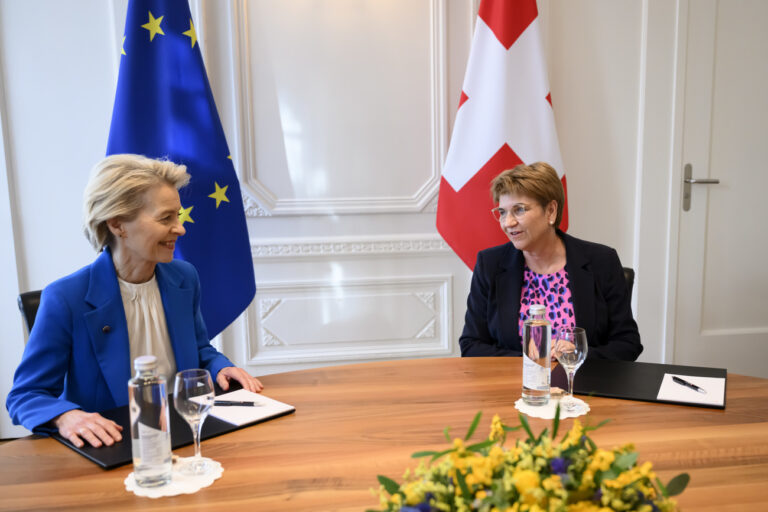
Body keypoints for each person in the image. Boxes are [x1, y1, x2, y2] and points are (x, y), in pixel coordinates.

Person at [6, 154, 263, 449]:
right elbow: (26, 395)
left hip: (186, 434)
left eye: (177, 216)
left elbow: (200, 348)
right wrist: (66, 417)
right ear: (118, 224)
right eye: (166, 218)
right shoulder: (66, 298)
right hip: (113, 446)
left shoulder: (184, 278)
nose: (180, 228)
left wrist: (219, 367)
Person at [460, 162, 642, 361]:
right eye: (502, 212)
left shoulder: (601, 261)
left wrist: (577, 355)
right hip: (514, 386)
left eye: (519, 210)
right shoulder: (490, 264)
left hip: (581, 385)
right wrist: (531, 361)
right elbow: (471, 345)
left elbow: (627, 344)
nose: (508, 223)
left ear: (551, 211)